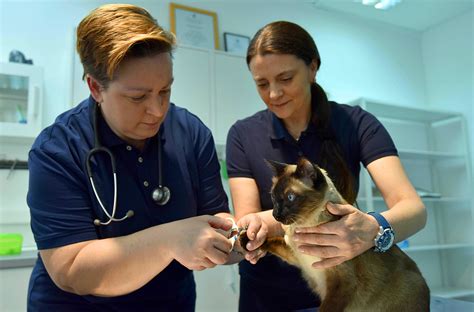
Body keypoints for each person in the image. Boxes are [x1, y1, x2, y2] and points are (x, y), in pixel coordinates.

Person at [26, 4, 235, 311]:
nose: (158, 109)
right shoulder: (58, 150)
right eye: (138, 97)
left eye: (165, 90)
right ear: (96, 87)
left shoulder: (191, 133)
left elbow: (218, 221)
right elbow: (71, 270)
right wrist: (170, 240)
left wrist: (238, 236)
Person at [226, 21, 427, 311]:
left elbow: (414, 211)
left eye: (285, 78)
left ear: (312, 68)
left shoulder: (356, 123)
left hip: (348, 289)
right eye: (262, 83)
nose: (273, 94)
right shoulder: (243, 134)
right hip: (267, 294)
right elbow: (250, 220)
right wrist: (252, 231)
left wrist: (375, 227)